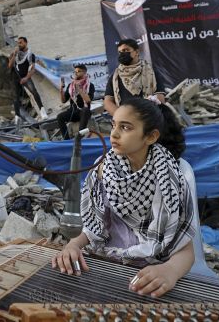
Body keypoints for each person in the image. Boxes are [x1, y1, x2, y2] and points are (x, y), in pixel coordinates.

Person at [52, 97, 196, 298]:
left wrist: (170, 270)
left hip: (148, 274)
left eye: (126, 128)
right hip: (106, 265)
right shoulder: (103, 169)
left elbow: (186, 251)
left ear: (151, 137)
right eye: (113, 125)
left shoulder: (170, 178)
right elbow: (93, 228)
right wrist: (73, 245)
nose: (114, 134)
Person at [103, 39, 165, 116]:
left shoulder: (151, 72)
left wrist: (145, 117)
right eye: (120, 52)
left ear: (137, 52)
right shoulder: (115, 76)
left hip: (148, 118)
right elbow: (108, 102)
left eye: (126, 50)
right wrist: (123, 117)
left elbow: (160, 98)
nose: (122, 54)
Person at [7, 37, 49, 123]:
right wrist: (14, 55)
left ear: (26, 43)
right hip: (15, 78)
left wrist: (26, 78)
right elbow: (9, 66)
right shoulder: (15, 54)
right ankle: (17, 117)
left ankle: (42, 111)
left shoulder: (30, 55)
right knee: (15, 97)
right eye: (18, 43)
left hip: (25, 77)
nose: (19, 44)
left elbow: (32, 69)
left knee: (34, 92)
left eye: (21, 43)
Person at [57, 64, 95, 140]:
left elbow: (88, 100)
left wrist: (79, 88)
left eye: (78, 71)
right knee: (60, 117)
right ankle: (66, 140)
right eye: (75, 72)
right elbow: (63, 101)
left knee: (85, 110)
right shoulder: (71, 85)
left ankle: (80, 136)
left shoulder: (90, 85)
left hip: (83, 112)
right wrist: (61, 89)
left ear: (84, 72)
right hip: (73, 112)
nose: (76, 73)